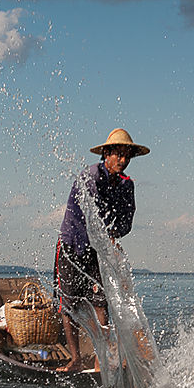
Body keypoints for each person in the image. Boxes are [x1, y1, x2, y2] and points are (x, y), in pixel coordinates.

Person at [54, 128, 150, 372]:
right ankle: (75, 359)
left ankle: (101, 360)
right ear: (106, 154)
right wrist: (109, 237)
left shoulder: (126, 185)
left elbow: (125, 224)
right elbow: (93, 215)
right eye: (118, 154)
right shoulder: (91, 176)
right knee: (68, 304)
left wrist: (113, 236)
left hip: (97, 249)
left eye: (127, 156)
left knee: (100, 303)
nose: (123, 160)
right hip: (71, 245)